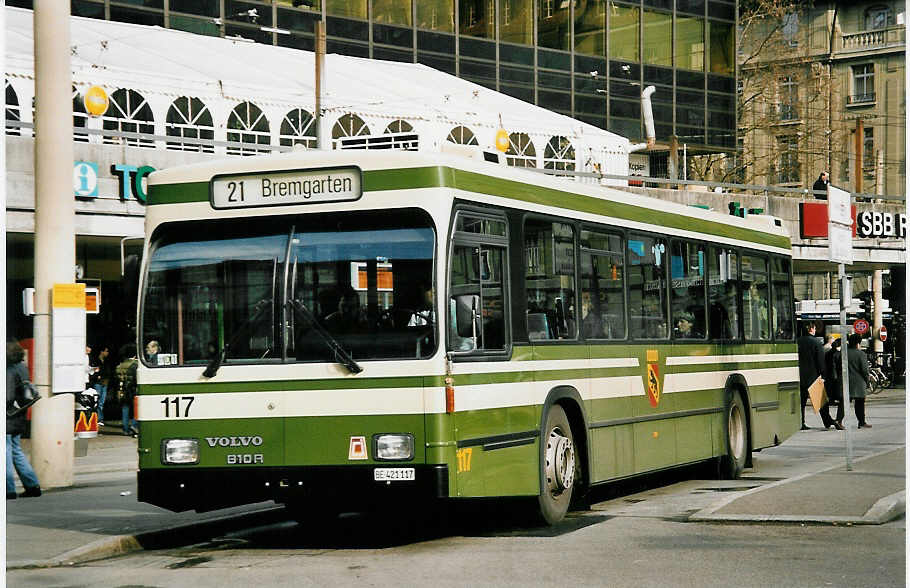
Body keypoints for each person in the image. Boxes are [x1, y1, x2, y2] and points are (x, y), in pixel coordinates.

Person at [6, 341, 41, 499]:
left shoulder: (8, 369)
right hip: (19, 416)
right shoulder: (22, 368)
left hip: (7, 416)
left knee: (5, 452)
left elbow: (7, 396)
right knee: (16, 451)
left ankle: (8, 489)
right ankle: (32, 485)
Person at [797, 322, 824, 430]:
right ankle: (827, 421)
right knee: (820, 400)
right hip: (813, 376)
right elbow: (820, 360)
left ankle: (801, 422)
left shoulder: (797, 342)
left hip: (799, 376)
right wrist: (822, 373)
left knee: (801, 402)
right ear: (811, 329)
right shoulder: (816, 342)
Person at [845, 333, 871, 429]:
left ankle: (839, 420)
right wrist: (867, 381)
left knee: (845, 402)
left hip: (846, 381)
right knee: (860, 403)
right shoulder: (861, 354)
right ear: (858, 343)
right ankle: (861, 422)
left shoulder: (845, 353)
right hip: (859, 382)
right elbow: (864, 370)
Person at [821, 338, 845, 429]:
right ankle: (838, 420)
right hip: (837, 381)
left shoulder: (827, 354)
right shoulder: (840, 355)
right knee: (843, 400)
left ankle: (827, 421)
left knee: (825, 402)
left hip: (828, 381)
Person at [116, 345, 139, 437]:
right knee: (136, 410)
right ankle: (134, 425)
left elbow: (117, 377)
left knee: (125, 409)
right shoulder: (136, 365)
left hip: (123, 390)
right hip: (133, 390)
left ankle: (125, 429)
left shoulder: (120, 365)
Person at [91, 345, 114, 428]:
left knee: (101, 402)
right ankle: (99, 419)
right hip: (98, 383)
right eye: (106, 351)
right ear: (102, 351)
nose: (107, 353)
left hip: (104, 383)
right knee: (98, 402)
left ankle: (99, 419)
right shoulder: (96, 361)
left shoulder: (106, 361)